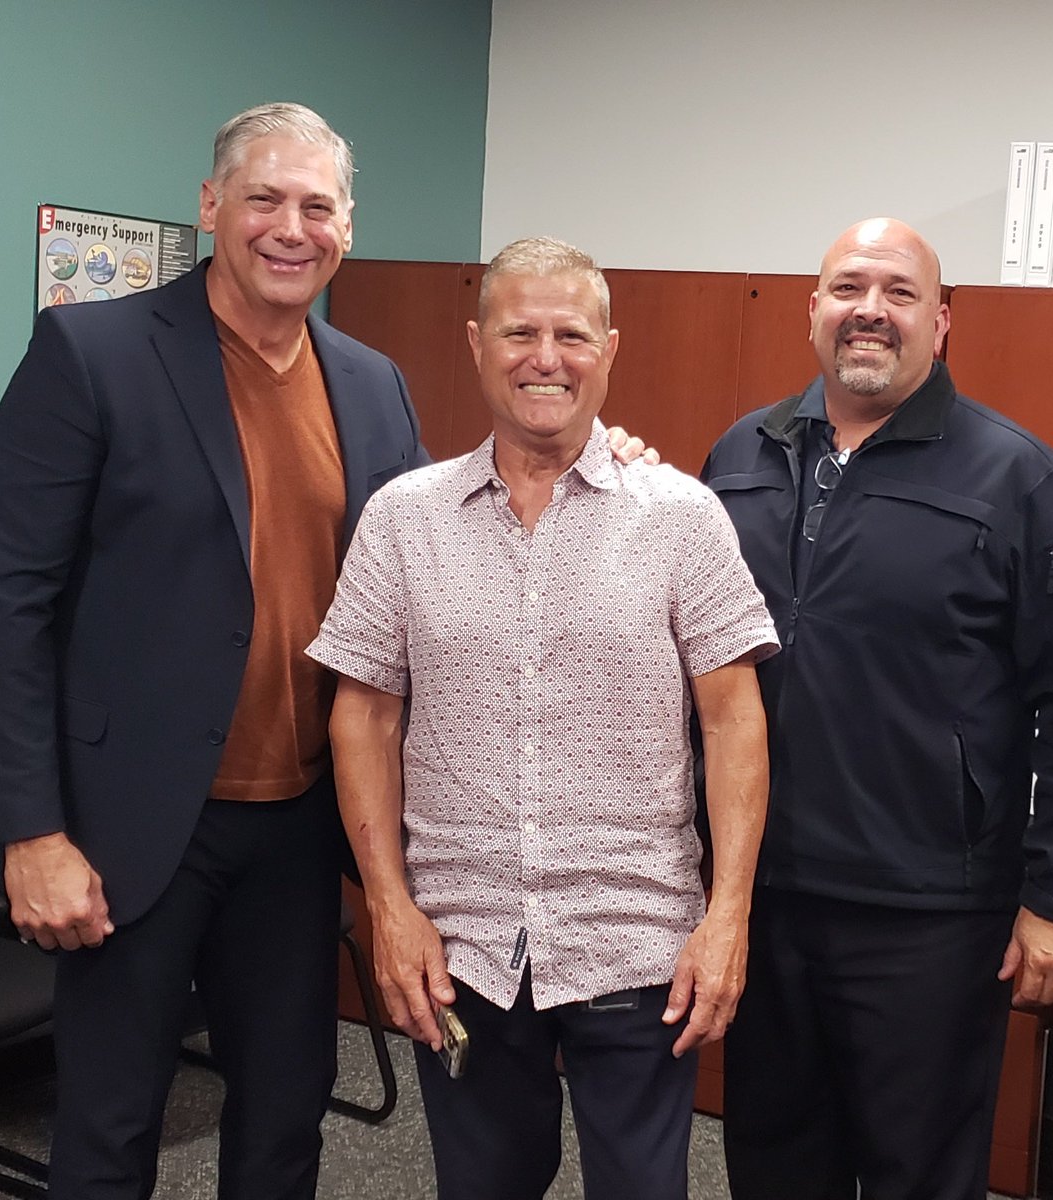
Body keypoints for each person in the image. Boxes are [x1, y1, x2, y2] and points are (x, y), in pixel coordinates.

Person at [0, 101, 431, 1200]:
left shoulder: (373, 384)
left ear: (347, 229)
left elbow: (431, 561)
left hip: (303, 830)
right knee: (112, 1126)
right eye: (264, 197)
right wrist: (29, 830)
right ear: (212, 205)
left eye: (318, 206)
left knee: (283, 1121)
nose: (290, 227)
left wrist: (590, 455)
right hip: (132, 827)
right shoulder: (93, 351)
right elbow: (6, 601)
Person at [307, 236, 779, 1200]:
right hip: (464, 941)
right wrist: (386, 907)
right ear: (477, 344)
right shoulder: (405, 518)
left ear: (609, 348)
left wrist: (728, 915)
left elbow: (734, 721)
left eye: (570, 333)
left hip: (636, 938)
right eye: (519, 331)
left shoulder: (682, 517)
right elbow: (362, 719)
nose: (544, 357)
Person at [703, 217, 1053, 1200]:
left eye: (899, 292)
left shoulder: (1017, 476)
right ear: (813, 311)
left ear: (942, 323)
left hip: (929, 913)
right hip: (760, 896)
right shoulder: (738, 457)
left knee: (917, 1171)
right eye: (849, 287)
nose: (870, 311)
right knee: (771, 1159)